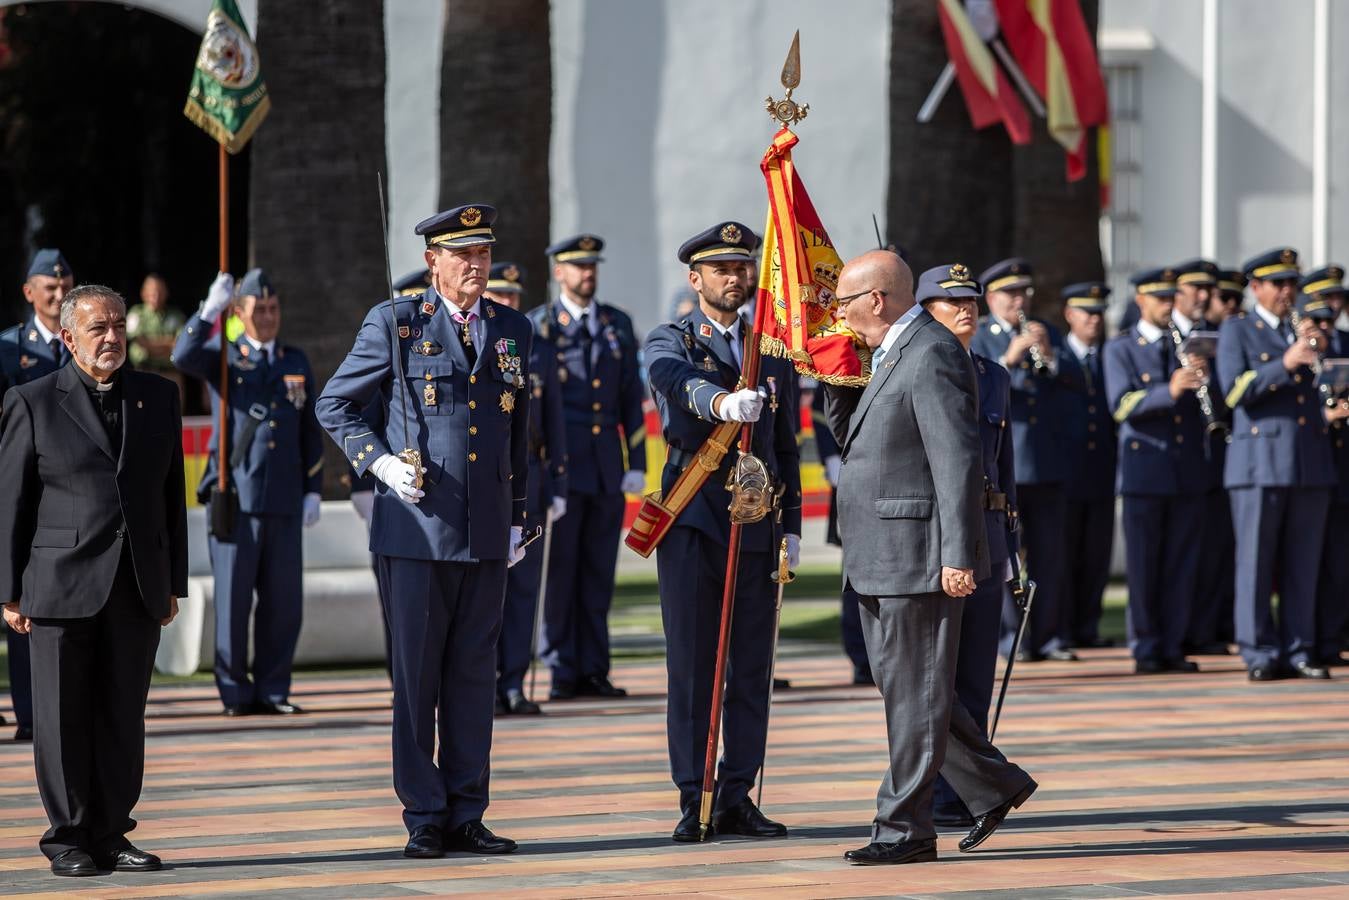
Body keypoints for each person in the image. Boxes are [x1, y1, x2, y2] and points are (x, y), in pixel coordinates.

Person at [316, 203, 531, 859]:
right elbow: (336, 402)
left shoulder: (512, 328)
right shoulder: (397, 322)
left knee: (473, 677)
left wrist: (518, 513)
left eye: (483, 253)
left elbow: (519, 429)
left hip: (486, 529)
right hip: (415, 529)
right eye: (461, 254)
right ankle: (424, 815)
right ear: (433, 260)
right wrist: (377, 462)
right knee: (416, 681)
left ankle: (468, 810)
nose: (475, 265)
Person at [825, 253, 1035, 866]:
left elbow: (956, 461)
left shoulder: (932, 350)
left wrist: (957, 554)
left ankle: (904, 829)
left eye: (844, 302)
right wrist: (835, 372)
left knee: (915, 693)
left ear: (877, 300)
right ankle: (995, 785)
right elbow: (853, 439)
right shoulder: (889, 351)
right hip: (881, 552)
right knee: (909, 691)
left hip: (917, 553)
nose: (838, 314)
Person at [0, 284, 187, 877]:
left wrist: (170, 583)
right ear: (69, 337)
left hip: (134, 586)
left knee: (121, 715)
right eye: (97, 329)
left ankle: (112, 831)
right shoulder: (31, 401)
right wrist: (7, 590)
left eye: (117, 328)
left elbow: (170, 497)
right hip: (57, 586)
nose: (111, 338)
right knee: (60, 719)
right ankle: (68, 836)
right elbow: (11, 504)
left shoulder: (157, 397)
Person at [643, 221, 801, 843]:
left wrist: (790, 529)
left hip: (758, 525)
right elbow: (669, 378)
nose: (734, 278)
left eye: (742, 268)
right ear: (696, 279)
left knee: (751, 667)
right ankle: (695, 794)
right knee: (693, 666)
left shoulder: (773, 347)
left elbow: (785, 444)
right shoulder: (674, 336)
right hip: (695, 521)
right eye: (721, 269)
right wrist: (719, 402)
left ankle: (738, 793)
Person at [171, 268, 325, 716]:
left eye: (275, 308)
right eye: (260, 308)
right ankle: (235, 693)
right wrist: (208, 310)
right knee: (234, 604)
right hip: (236, 498)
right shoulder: (224, 354)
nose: (270, 316)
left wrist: (313, 488)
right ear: (240, 312)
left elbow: (308, 432)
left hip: (284, 500)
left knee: (283, 605)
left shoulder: (294, 360)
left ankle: (274, 690)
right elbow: (183, 353)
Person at [918, 267, 1021, 829]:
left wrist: (1015, 547)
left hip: (986, 535)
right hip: (936, 538)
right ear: (925, 308)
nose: (965, 310)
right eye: (950, 301)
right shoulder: (914, 365)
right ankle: (933, 789)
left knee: (976, 672)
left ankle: (965, 793)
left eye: (971, 302)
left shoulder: (994, 375)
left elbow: (1004, 467)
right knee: (936, 674)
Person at [530, 233, 646, 700]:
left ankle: (594, 667)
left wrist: (635, 460)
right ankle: (560, 666)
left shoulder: (616, 324)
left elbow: (629, 402)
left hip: (604, 470)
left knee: (598, 573)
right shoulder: (541, 327)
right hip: (563, 468)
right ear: (559, 272)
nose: (587, 274)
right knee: (560, 575)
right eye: (578, 266)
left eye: (592, 265)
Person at [1217, 247, 1335, 681]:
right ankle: (1259, 651)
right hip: (1259, 465)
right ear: (1256, 288)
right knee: (1256, 563)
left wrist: (1318, 355)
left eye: (1292, 284)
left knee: (1304, 562)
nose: (1288, 292)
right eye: (1279, 284)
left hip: (1309, 463)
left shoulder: (1304, 332)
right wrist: (1285, 363)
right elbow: (1231, 392)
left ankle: (1300, 647)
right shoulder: (1238, 330)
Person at [1104, 268, 1212, 674]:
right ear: (1141, 301)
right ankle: (1146, 647)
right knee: (1146, 567)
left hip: (1185, 472)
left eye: (1172, 298)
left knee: (1180, 566)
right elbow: (1121, 405)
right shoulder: (1122, 349)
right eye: (1160, 299)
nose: (1168, 306)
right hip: (1144, 474)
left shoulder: (1182, 345)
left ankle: (1172, 644)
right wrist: (1170, 390)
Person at [971, 258, 1075, 662]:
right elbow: (980, 389)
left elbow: (1073, 383)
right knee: (1008, 557)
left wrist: (1049, 356)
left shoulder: (1043, 331)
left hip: (1046, 462)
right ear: (992, 298)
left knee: (1050, 556)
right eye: (1011, 294)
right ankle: (1011, 639)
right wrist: (1010, 359)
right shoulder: (982, 337)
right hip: (1007, 462)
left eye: (1024, 293)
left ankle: (1048, 636)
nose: (1020, 301)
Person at [484, 262, 568, 715]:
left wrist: (557, 480)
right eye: (501, 295)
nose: (510, 303)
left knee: (523, 591)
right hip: (487, 481)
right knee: (487, 590)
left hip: (530, 480)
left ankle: (514, 681)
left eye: (515, 296)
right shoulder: (475, 341)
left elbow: (552, 420)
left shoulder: (536, 349)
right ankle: (485, 683)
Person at [0, 248, 74, 744]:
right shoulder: (9, 349)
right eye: (49, 286)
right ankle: (28, 714)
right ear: (29, 292)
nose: (59, 291)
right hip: (18, 490)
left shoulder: (83, 344)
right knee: (17, 599)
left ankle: (54, 711)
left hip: (67, 492)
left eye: (65, 283)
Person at [1172, 259, 1235, 656]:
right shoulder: (1164, 335)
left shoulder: (1213, 335)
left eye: (1207, 291)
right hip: (1175, 461)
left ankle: (1207, 629)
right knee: (1180, 557)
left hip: (1212, 458)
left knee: (1212, 554)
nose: (1204, 297)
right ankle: (1181, 633)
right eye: (1196, 290)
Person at [1058, 283, 1117, 649]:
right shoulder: (1057, 355)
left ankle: (1088, 626)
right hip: (1065, 472)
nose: (1094, 320)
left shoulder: (1107, 356)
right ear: (1069, 315)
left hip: (1101, 470)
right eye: (1086, 312)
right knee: (1063, 555)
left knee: (1096, 555)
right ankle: (1061, 628)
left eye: (1099, 313)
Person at [1299, 267, 1349, 667]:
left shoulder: (1343, 344)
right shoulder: (1297, 349)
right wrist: (1325, 415)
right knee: (1305, 562)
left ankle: (1331, 640)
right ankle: (1305, 642)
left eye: (1333, 313)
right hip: (1308, 466)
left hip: (1341, 467)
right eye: (1318, 316)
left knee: (1337, 561)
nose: (1327, 321)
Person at [812, 386, 872, 685]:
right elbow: (821, 401)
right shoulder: (844, 341)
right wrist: (830, 456)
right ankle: (862, 658)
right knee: (856, 572)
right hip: (850, 466)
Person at [126, 274, 186, 373]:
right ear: (144, 293)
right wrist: (168, 343)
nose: (156, 297)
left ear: (167, 293)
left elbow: (180, 343)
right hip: (143, 371)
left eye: (160, 292)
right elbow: (139, 342)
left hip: (170, 373)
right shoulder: (135, 314)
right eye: (152, 292)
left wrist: (150, 345)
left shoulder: (176, 316)